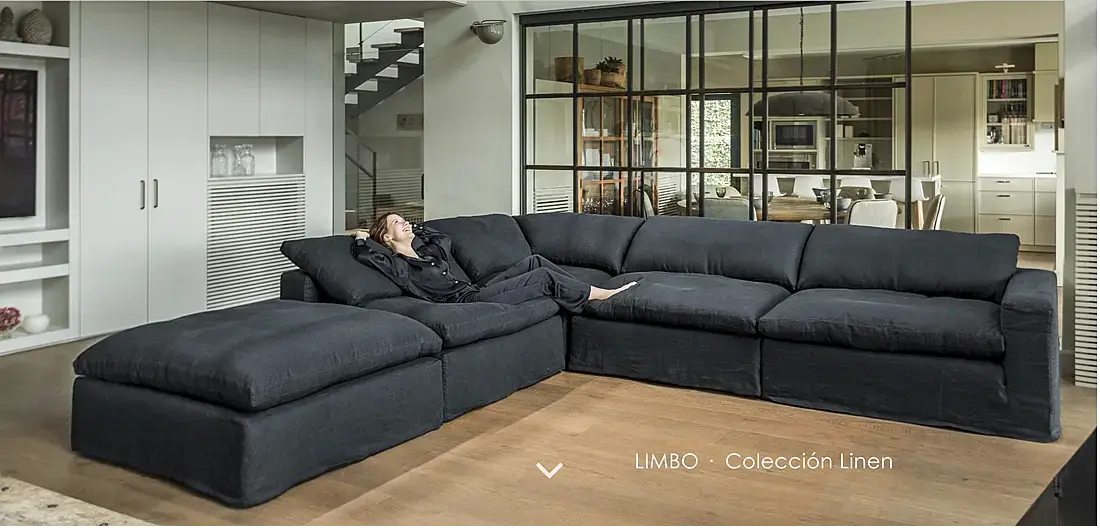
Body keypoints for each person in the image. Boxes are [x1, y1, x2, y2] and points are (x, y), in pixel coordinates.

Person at [351, 212, 636, 313]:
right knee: (543, 278)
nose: (404, 223)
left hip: (474, 290)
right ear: (386, 237)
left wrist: (418, 228)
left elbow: (443, 240)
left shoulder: (428, 253)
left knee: (535, 261)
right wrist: (362, 237)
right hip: (465, 302)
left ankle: (580, 289)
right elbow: (365, 255)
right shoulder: (400, 266)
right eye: (397, 223)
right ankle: (598, 295)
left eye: (404, 220)